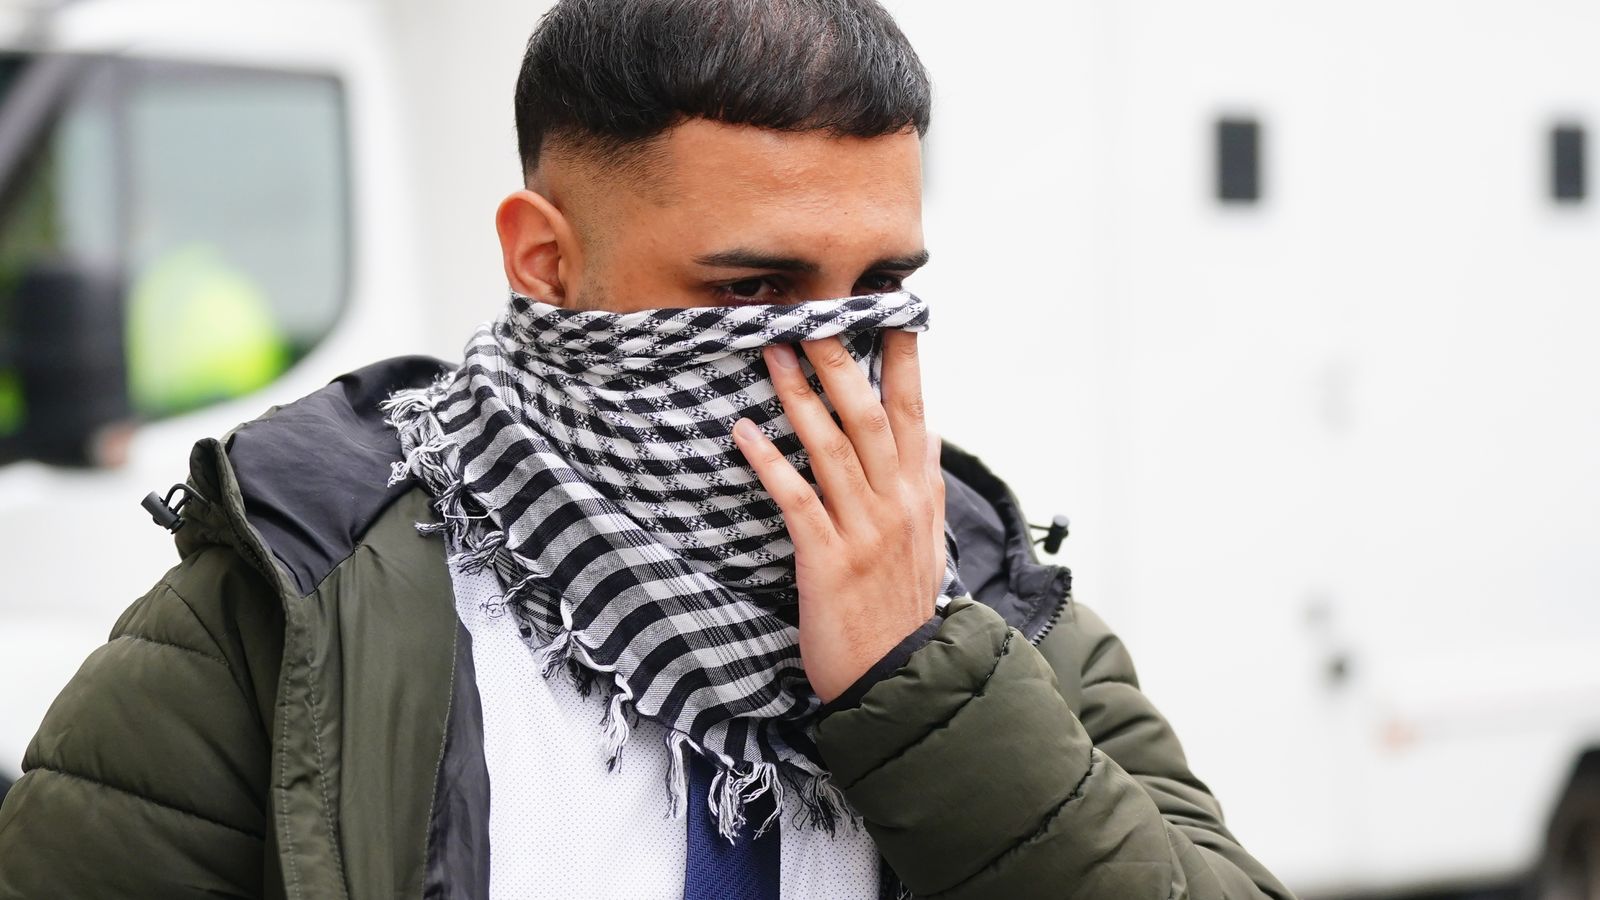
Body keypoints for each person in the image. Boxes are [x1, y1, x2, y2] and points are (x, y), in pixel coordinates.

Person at [0, 1, 1295, 898]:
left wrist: (924, 687)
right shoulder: (293, 626)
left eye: (880, 287)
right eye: (754, 292)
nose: (831, 362)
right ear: (547, 262)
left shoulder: (979, 600)